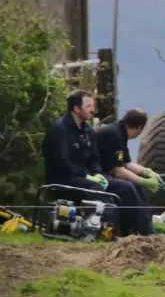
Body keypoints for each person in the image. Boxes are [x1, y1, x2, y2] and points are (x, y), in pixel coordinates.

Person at [42, 90, 145, 230]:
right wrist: (86, 176)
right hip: (64, 178)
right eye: (89, 106)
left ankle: (133, 233)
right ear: (76, 108)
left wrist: (97, 173)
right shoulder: (59, 129)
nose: (93, 110)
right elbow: (62, 162)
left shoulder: (88, 130)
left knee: (126, 187)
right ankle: (104, 229)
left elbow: (95, 158)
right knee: (98, 190)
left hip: (88, 177)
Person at [95, 108, 163, 236]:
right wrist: (144, 181)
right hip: (96, 175)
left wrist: (147, 172)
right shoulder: (113, 134)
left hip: (106, 173)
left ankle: (146, 229)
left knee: (136, 186)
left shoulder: (120, 132)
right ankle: (130, 232)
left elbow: (126, 163)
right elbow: (118, 171)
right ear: (138, 128)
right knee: (128, 188)